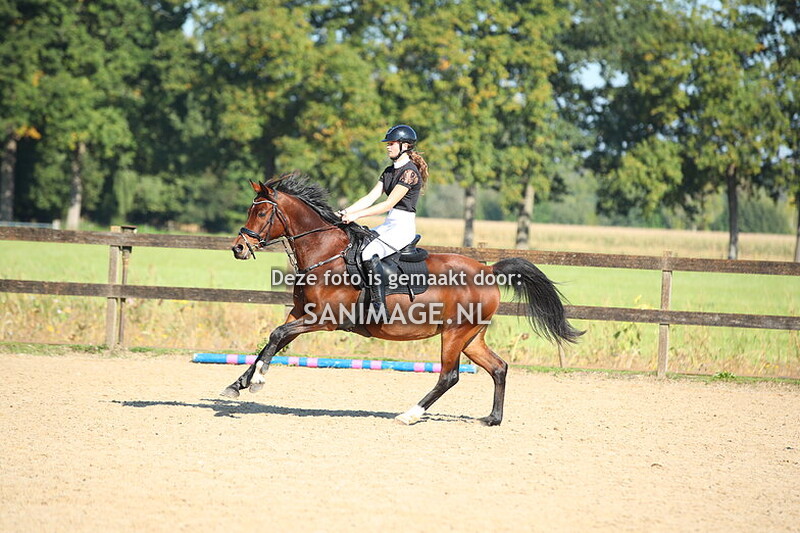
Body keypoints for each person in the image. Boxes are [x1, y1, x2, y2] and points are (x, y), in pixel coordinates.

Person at [338, 124, 429, 312]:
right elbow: (370, 198)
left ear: (405, 145)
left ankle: (379, 306)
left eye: (392, 143)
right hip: (389, 224)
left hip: (402, 227)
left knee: (367, 253)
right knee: (356, 247)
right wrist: (344, 212)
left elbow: (387, 205)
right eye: (387, 144)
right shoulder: (389, 171)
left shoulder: (410, 173)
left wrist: (356, 215)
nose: (388, 147)